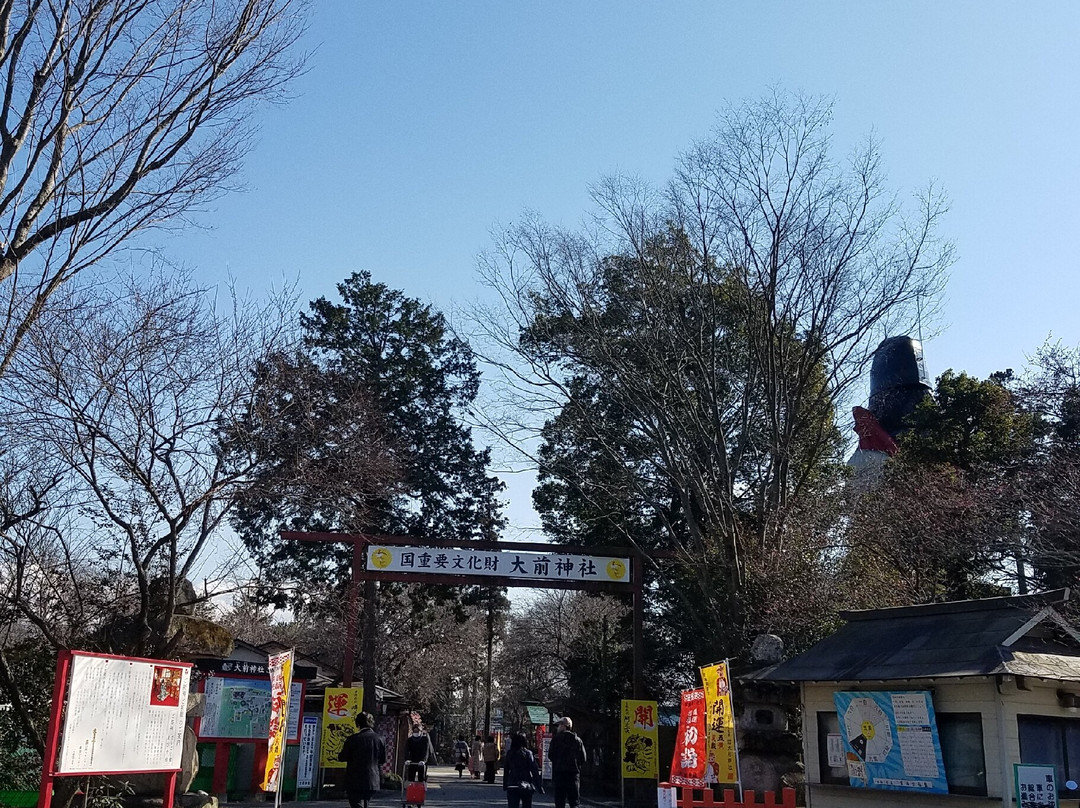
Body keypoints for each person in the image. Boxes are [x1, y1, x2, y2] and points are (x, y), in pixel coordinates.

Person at [338, 712, 386, 808]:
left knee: (356, 803)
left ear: (357, 724)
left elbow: (342, 757)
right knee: (365, 803)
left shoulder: (352, 739)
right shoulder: (380, 739)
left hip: (354, 778)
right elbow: (382, 760)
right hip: (372, 778)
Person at [547, 716, 587, 808]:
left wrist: (558, 762)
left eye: (560, 725)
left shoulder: (556, 740)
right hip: (573, 775)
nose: (558, 727)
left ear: (565, 726)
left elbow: (551, 755)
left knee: (560, 802)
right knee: (574, 802)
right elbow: (583, 758)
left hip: (559, 774)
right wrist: (577, 765)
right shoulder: (577, 740)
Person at [502, 732, 543, 808]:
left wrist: (505, 784)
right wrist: (539, 785)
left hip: (512, 783)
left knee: (512, 805)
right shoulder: (528, 753)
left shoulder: (510, 753)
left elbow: (506, 770)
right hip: (526, 783)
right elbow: (534, 770)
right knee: (527, 805)